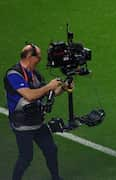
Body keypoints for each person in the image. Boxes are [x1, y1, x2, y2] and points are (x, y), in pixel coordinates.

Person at [4, 44, 67, 180]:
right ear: (29, 57)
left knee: (51, 150)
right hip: (23, 125)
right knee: (26, 158)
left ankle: (56, 178)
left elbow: (50, 92)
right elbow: (30, 95)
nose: (40, 60)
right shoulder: (13, 75)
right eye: (38, 57)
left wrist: (64, 87)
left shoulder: (35, 74)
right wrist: (49, 86)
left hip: (37, 121)